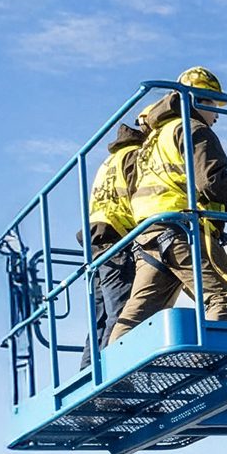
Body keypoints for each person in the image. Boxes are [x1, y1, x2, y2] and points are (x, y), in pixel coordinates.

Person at [107, 67, 227, 344]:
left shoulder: (154, 139)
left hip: (149, 233)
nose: (217, 115)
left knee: (135, 320)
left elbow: (177, 182)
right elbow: (212, 182)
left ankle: (114, 379)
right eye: (214, 105)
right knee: (225, 302)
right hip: (181, 231)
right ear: (199, 99)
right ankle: (215, 367)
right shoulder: (194, 129)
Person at [79, 120, 146, 366]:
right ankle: (114, 377)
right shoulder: (134, 158)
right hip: (117, 239)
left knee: (100, 318)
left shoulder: (109, 162)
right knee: (121, 313)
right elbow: (142, 199)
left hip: (96, 242)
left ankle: (88, 377)